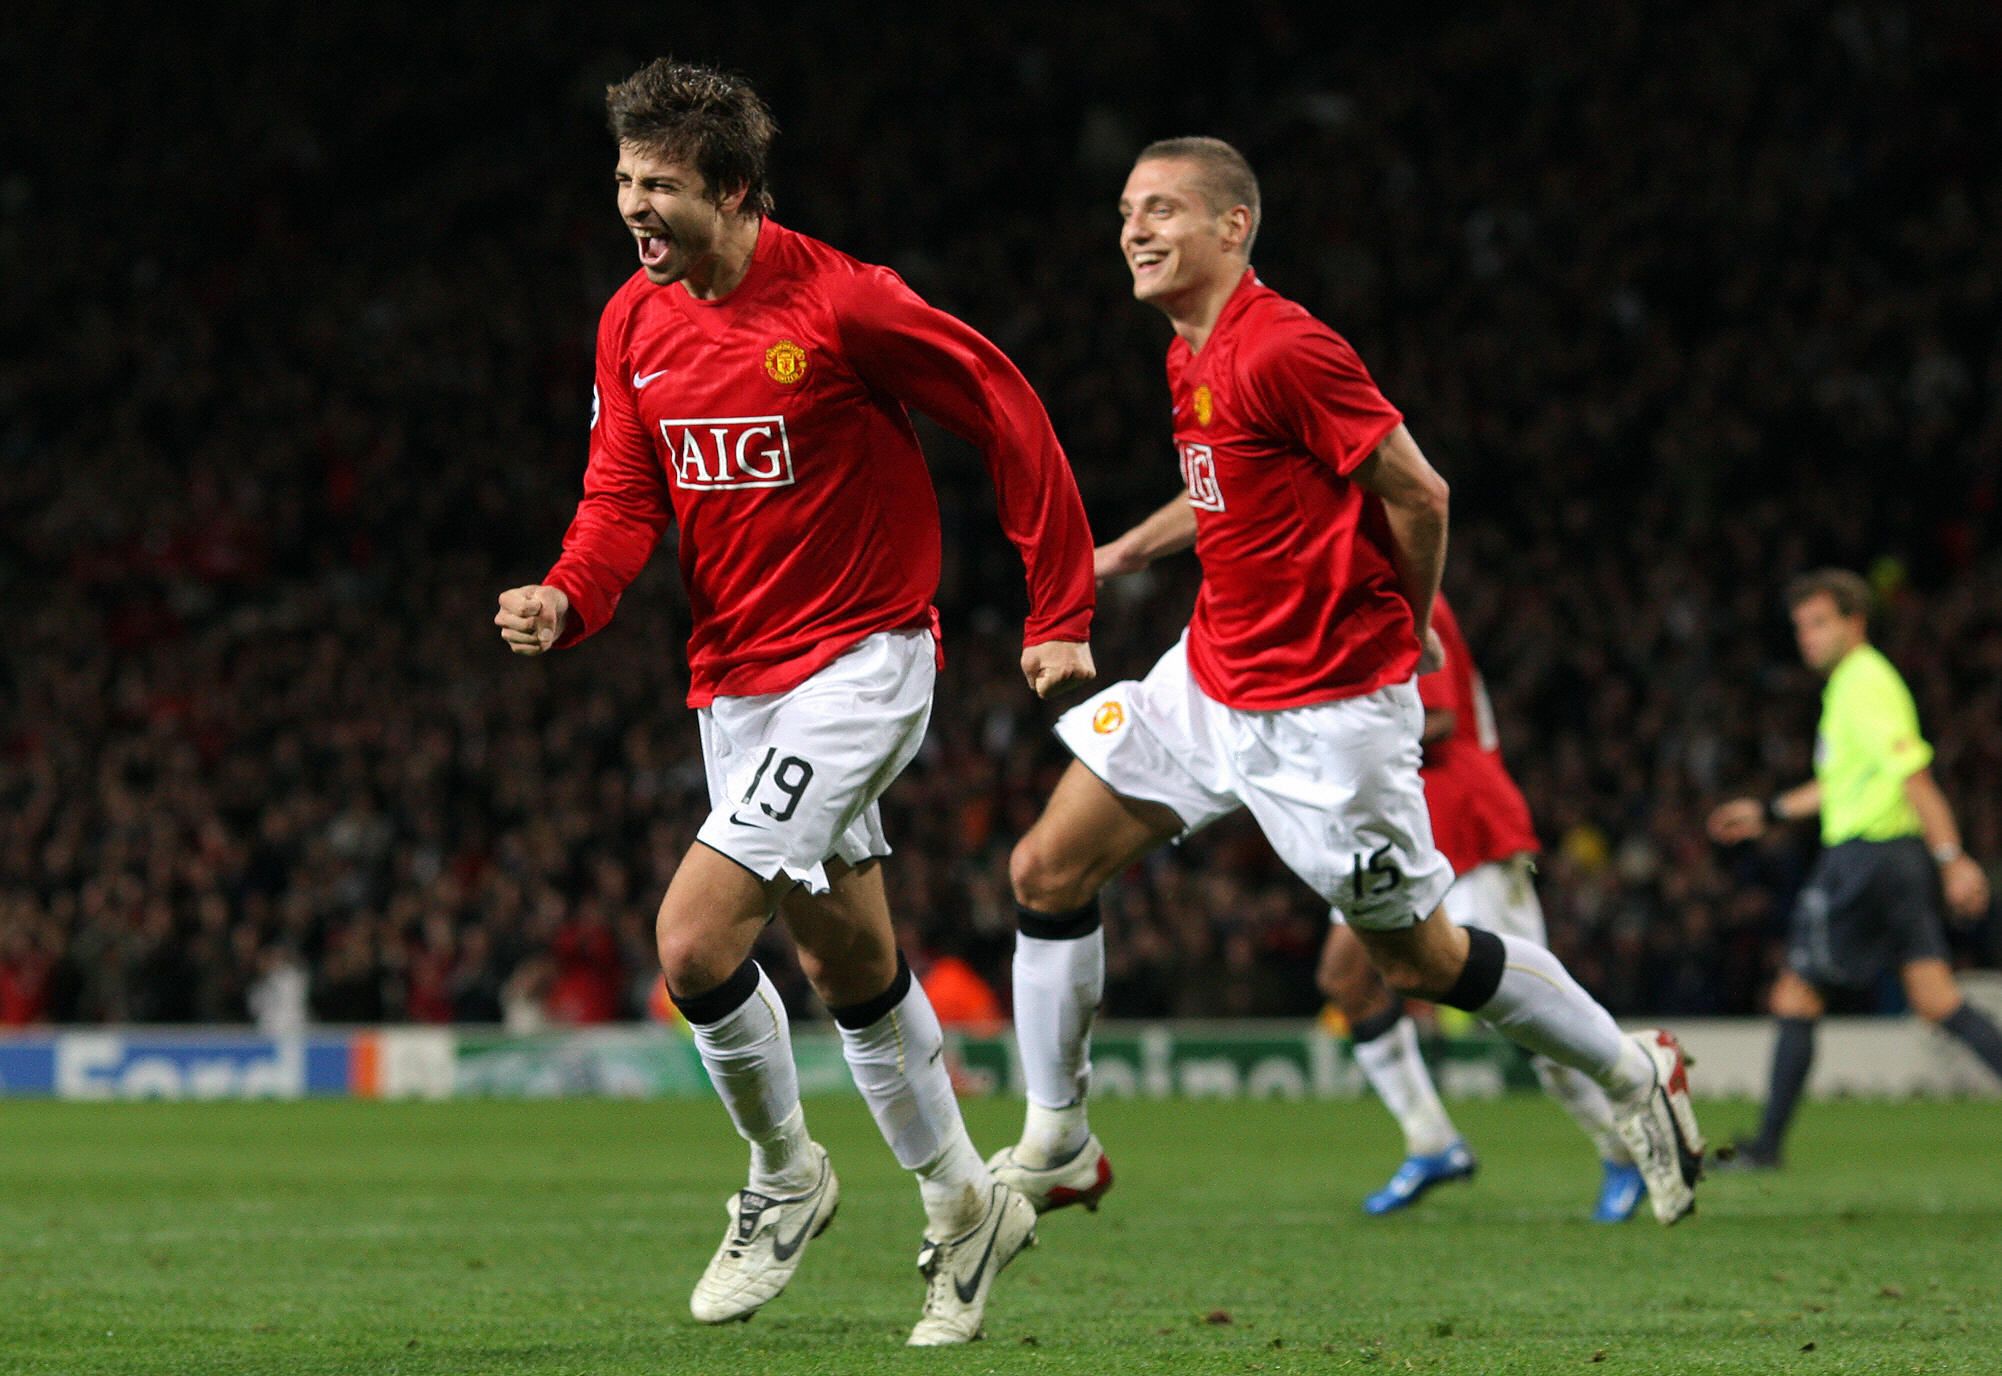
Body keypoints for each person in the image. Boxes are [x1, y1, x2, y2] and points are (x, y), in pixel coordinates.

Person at [986, 136, 1705, 1230]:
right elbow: (1232, 486)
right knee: (1045, 869)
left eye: (1163, 208)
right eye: (1126, 208)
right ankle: (1059, 1134)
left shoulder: (1285, 347)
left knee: (1418, 958)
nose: (1132, 228)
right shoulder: (1190, 354)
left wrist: (1407, 631)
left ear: (1234, 227)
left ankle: (1628, 1069)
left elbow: (1420, 491)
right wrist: (1128, 551)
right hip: (1211, 678)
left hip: (1328, 717)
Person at [494, 59, 1097, 1345]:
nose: (633, 209)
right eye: (621, 183)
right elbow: (621, 500)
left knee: (694, 941)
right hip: (735, 686)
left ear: (733, 188)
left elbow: (1004, 405)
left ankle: (784, 1175)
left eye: (658, 186)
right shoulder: (632, 323)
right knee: (850, 962)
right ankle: (962, 1202)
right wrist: (567, 593)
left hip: (863, 662)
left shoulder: (843, 304)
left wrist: (1060, 610)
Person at [1315, 594, 1645, 1221]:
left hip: (1467, 826)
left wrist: (1331, 730)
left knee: (1534, 1017)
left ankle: (1623, 1148)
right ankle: (1431, 1141)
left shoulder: (1403, 593)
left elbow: (1437, 715)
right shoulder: (1338, 598)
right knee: (1345, 976)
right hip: (1389, 830)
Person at [1707, 569, 2001, 1168]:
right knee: (1938, 999)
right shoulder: (1852, 684)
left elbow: (1913, 776)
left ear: (1854, 622)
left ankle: (1765, 1148)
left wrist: (1955, 860)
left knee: (1795, 993)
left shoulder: (1865, 684)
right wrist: (1770, 810)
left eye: (1820, 624)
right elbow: (1842, 783)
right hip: (1893, 860)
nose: (1807, 638)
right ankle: (1766, 1146)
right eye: (1800, 628)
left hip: (1867, 861)